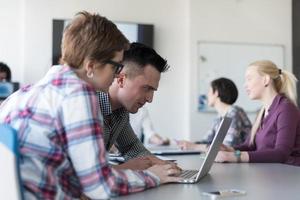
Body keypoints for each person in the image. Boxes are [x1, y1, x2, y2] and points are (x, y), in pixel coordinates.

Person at [0, 11, 181, 199]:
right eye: (115, 66)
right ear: (91, 65)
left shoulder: (25, 93)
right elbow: (101, 187)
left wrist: (156, 166)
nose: (117, 74)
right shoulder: (78, 94)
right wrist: (153, 176)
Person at [98, 42, 175, 169]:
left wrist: (165, 166)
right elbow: (87, 173)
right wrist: (128, 168)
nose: (150, 99)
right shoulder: (88, 105)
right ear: (121, 79)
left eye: (153, 91)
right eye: (146, 88)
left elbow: (132, 148)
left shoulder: (120, 111)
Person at [215, 60, 300, 166]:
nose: (245, 85)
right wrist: (229, 149)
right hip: (270, 174)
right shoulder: (262, 111)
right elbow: (250, 146)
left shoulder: (286, 109)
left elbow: (281, 154)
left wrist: (233, 157)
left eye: (249, 79)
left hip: (289, 176)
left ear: (266, 80)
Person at [177, 78, 252, 151]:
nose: (207, 95)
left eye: (209, 91)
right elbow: (207, 140)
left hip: (238, 160)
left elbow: (226, 148)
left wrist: (194, 146)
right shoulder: (219, 116)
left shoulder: (234, 113)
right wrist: (188, 144)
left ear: (216, 93)